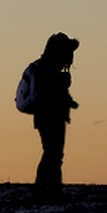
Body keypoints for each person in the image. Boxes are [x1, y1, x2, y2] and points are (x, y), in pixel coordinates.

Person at [29, 32, 80, 197]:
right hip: (50, 115)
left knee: (53, 153)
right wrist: (62, 86)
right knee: (53, 153)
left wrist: (68, 100)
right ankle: (47, 190)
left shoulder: (46, 68)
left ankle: (48, 189)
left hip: (50, 115)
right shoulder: (47, 69)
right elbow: (50, 93)